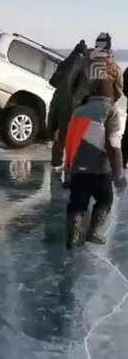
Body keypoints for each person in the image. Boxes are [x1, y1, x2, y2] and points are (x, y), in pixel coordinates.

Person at [63, 80, 126, 249]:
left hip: (77, 168)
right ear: (108, 95)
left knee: (77, 203)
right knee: (105, 198)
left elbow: (69, 142)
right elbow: (113, 144)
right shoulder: (110, 111)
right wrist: (118, 172)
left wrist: (68, 171)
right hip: (99, 169)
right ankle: (94, 231)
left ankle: (73, 236)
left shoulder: (78, 111)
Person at [47, 40, 87, 170]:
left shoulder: (65, 63)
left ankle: (56, 165)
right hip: (71, 102)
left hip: (57, 98)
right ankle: (70, 168)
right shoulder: (83, 66)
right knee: (71, 136)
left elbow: (52, 81)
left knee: (58, 135)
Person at [68, 32, 123, 108]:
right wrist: (111, 101)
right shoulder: (114, 66)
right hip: (104, 107)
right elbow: (118, 90)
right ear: (108, 47)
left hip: (82, 104)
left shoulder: (84, 61)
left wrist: (75, 96)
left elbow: (72, 79)